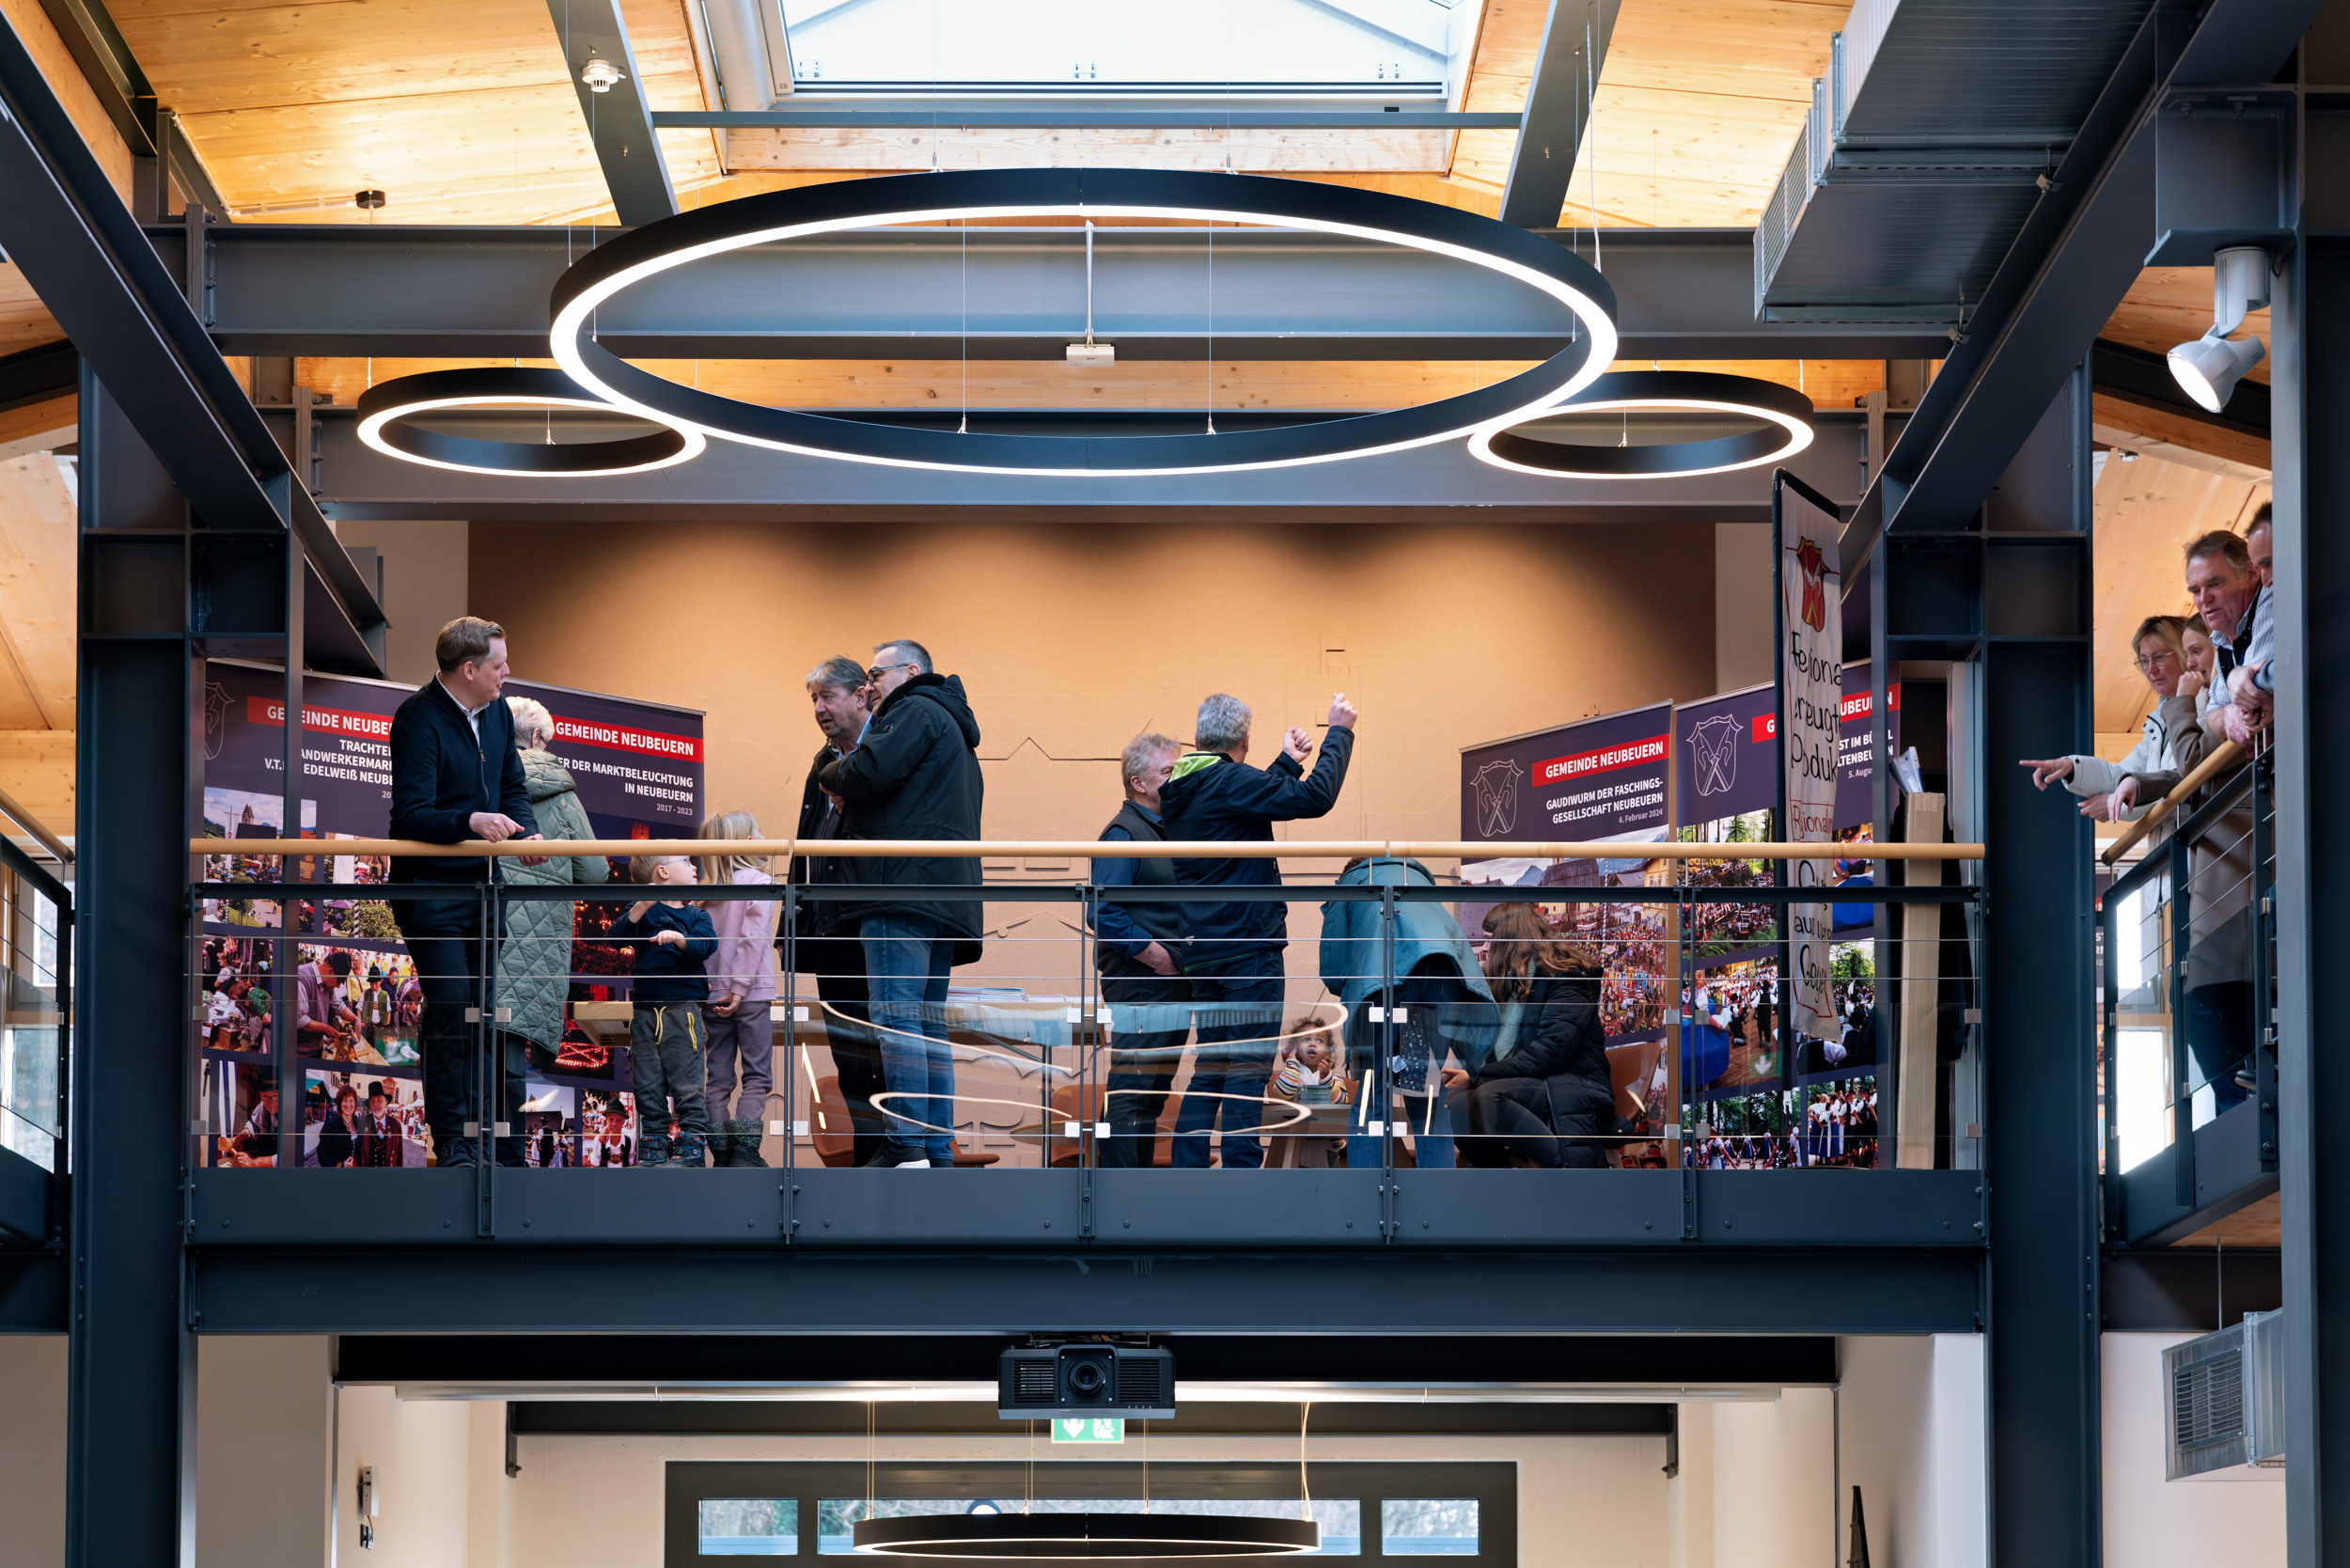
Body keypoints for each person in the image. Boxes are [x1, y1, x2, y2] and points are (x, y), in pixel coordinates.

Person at [1157, 691, 1358, 1169]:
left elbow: (1242, 802)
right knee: (1248, 1067)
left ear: (1200, 737)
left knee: (1210, 1068)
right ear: (1245, 738)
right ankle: (1242, 1177)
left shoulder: (1186, 784)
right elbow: (1316, 798)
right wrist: (1339, 732)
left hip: (1203, 953)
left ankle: (1186, 1173)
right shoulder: (1228, 780)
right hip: (1248, 949)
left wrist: (1286, 762)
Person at [818, 640, 984, 1169]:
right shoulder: (953, 727)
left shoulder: (913, 708)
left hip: (899, 890)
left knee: (895, 1018)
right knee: (927, 1023)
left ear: (911, 671)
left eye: (875, 674)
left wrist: (832, 775)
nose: (869, 686)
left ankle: (905, 1140)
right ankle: (934, 1147)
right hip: (943, 897)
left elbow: (866, 772)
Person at [387, 616, 545, 1168]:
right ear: (470, 669)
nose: (508, 672)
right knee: (452, 1007)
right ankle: (452, 1137)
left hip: (483, 889)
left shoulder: (497, 712)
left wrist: (526, 834)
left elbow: (512, 786)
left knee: (481, 1013)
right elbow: (411, 814)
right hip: (430, 890)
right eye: (500, 664)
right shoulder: (417, 718)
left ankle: (481, 1138)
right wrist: (471, 821)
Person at [1318, 856, 1498, 1170]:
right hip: (1441, 980)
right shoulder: (1418, 880)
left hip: (1387, 981)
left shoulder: (1351, 883)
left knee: (1373, 1090)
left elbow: (1332, 969)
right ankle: (1438, 1193)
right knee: (1425, 1096)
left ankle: (1365, 1193)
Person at [792, 658, 885, 1163]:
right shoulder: (821, 761)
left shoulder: (885, 751)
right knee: (849, 1058)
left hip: (872, 924)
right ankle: (869, 1158)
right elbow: (807, 844)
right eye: (814, 699)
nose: (819, 709)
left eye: (828, 697)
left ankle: (894, 1153)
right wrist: (797, 926)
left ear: (861, 696)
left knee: (886, 1050)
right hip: (829, 929)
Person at [494, 696, 611, 1091]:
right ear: (536, 737)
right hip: (536, 946)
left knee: (470, 1050)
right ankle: (509, 1131)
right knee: (512, 1059)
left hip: (477, 931)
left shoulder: (477, 779)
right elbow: (595, 873)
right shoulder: (562, 795)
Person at [1089, 733, 1192, 1168]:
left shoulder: (1165, 831)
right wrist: (1158, 956)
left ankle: (1138, 1191)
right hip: (1143, 983)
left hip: (1169, 983)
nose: (1178, 780)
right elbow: (1102, 912)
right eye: (1168, 772)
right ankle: (1117, 1195)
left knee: (1150, 1094)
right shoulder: (1124, 834)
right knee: (1132, 1092)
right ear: (1139, 783)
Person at [1451, 903, 1613, 1169]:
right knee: (1459, 1107)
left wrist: (1476, 1075)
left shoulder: (1568, 980)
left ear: (1509, 940)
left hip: (1572, 1085)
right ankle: (1505, 1181)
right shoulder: (1512, 983)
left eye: (1490, 940)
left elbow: (1549, 1054)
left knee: (1488, 1097)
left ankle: (1561, 1167)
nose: (1485, 948)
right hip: (1536, 1083)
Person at [2019, 614, 2200, 822]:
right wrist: (2071, 767)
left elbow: (2176, 781)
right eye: (2144, 661)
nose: (2151, 669)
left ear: (2183, 653)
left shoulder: (2205, 708)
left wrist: (2111, 803)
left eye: (2159, 657)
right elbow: (2123, 774)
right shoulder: (2159, 720)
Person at [609, 855, 718, 1167]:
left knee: (688, 1081)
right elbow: (615, 939)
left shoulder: (697, 915)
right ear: (663, 872)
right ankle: (653, 1147)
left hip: (682, 1009)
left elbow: (707, 945)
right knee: (646, 1082)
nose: (695, 867)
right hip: (645, 1010)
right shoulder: (642, 909)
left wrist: (681, 940)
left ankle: (691, 1148)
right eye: (686, 860)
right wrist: (641, 907)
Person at [700, 809, 778, 1168]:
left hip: (712, 996)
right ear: (747, 841)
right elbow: (753, 938)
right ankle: (745, 1152)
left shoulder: (705, 893)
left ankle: (721, 1153)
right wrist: (742, 987)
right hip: (751, 994)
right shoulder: (759, 882)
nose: (764, 837)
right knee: (757, 1075)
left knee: (717, 1078)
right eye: (760, 832)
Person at [356, 1081, 401, 1168]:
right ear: (369, 1105)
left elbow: (399, 1156)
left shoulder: (396, 1125)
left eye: (379, 1100)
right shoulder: (361, 1122)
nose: (375, 1104)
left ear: (386, 1102)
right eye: (372, 1101)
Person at [318, 1084, 360, 1168]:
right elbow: (322, 1155)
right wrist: (342, 1165)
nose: (348, 1105)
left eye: (351, 1100)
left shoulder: (361, 1123)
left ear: (355, 1103)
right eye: (345, 1100)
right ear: (340, 1103)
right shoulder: (329, 1126)